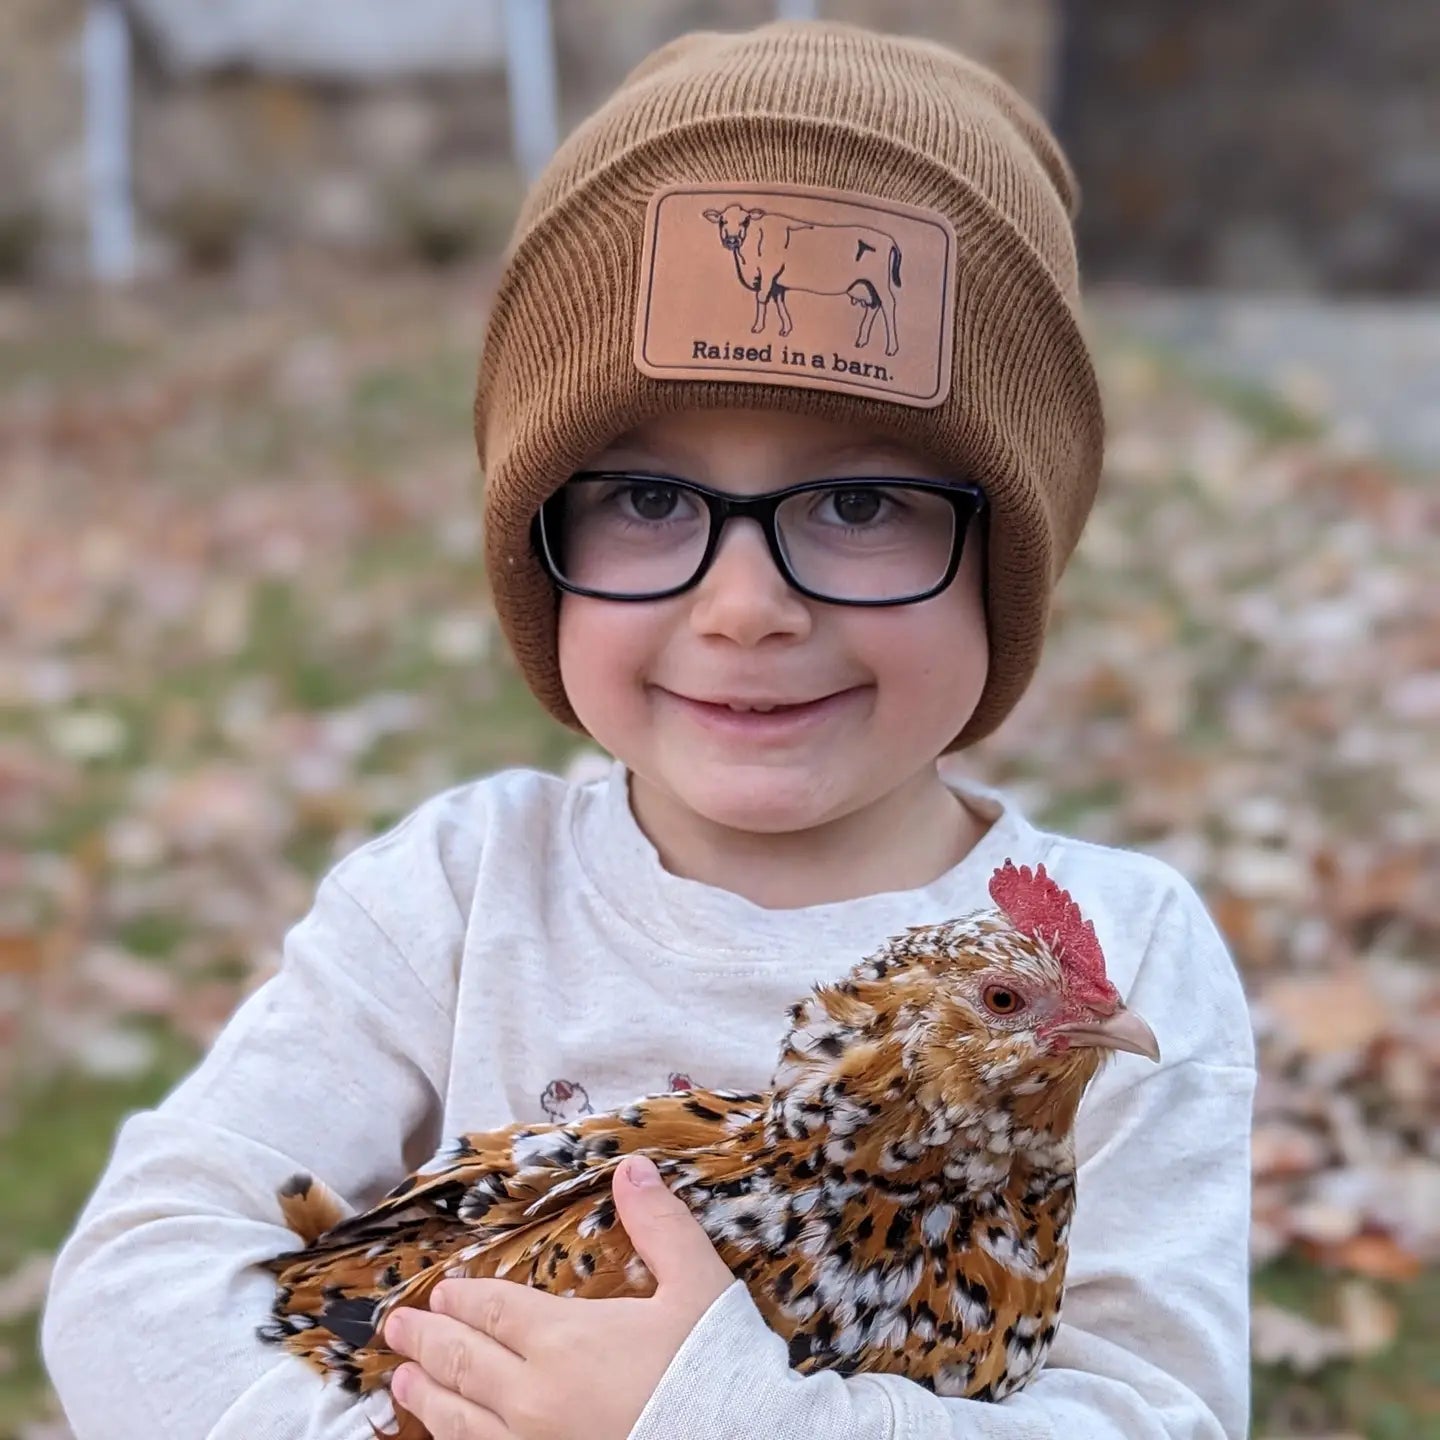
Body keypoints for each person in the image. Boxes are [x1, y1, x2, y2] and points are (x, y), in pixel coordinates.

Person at [42, 20, 1255, 1440]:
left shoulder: (1127, 954)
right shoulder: (457, 896)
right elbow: (139, 1273)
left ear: (1012, 562)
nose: (746, 608)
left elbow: (1156, 1413)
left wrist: (715, 1415)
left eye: (860, 504)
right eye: (650, 500)